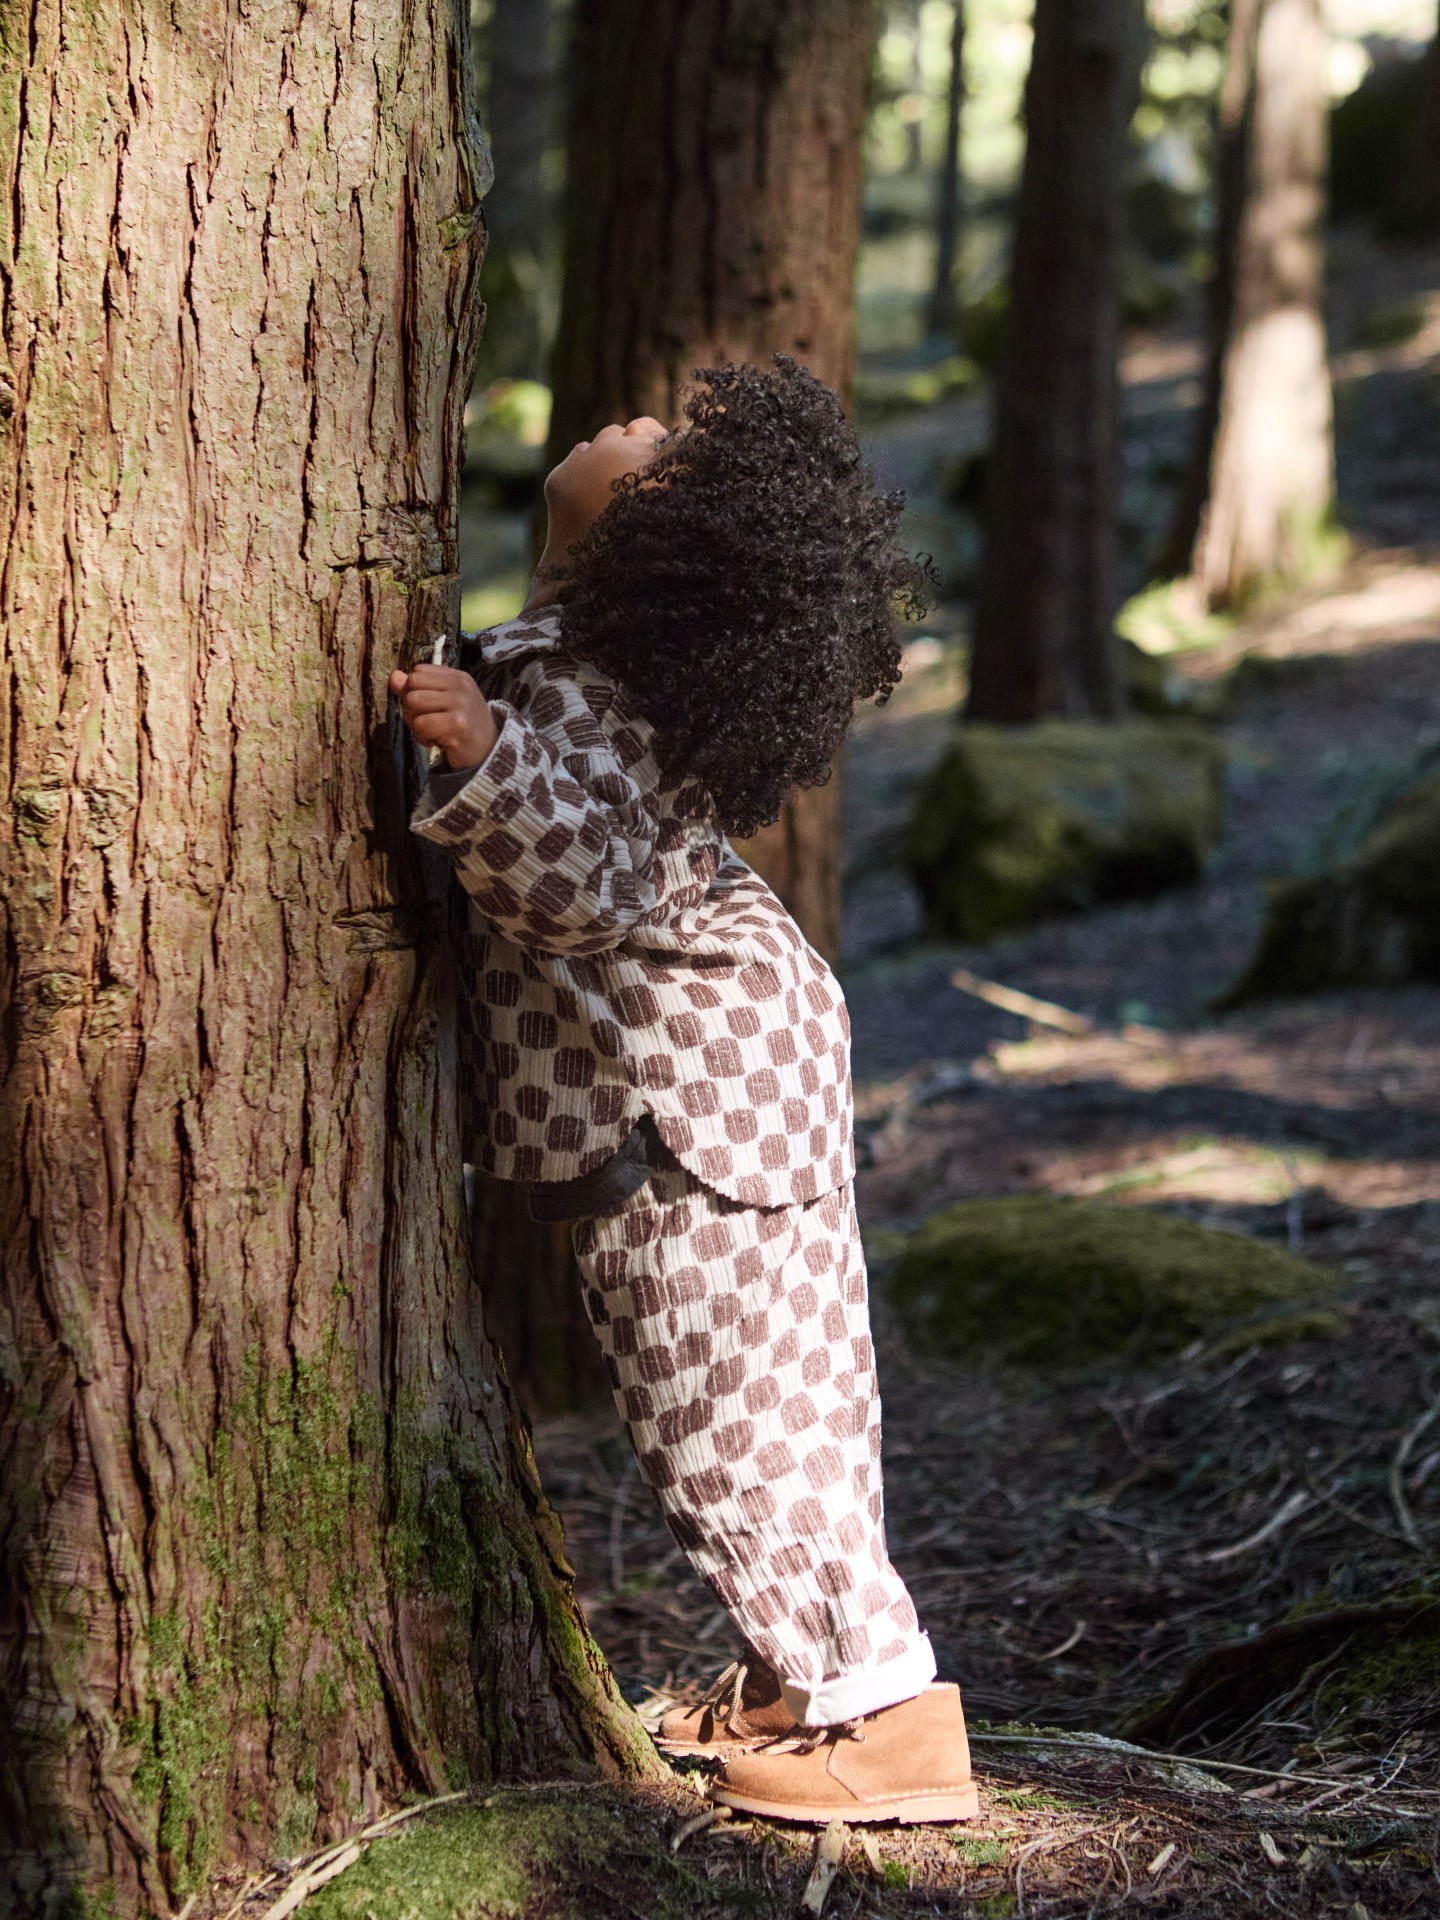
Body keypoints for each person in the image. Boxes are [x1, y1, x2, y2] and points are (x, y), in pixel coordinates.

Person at [388, 357, 978, 1825]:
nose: (636, 420)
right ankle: (813, 1682)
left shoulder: (604, 688)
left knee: (738, 1417)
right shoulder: (588, 657)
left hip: (693, 1109)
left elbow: (584, 880)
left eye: (658, 453)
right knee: (768, 1400)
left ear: (660, 551)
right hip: (717, 1085)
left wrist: (483, 752)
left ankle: (883, 1718)